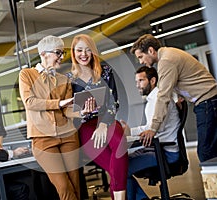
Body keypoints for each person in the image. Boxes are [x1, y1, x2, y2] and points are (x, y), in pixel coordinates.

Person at [130, 34, 217, 162]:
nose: (141, 61)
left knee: (206, 153)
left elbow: (163, 95)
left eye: (141, 57)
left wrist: (153, 129)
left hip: (208, 102)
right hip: (210, 100)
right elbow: (184, 78)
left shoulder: (166, 61)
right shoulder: (169, 54)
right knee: (211, 150)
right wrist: (180, 97)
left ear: (150, 50)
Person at [66, 34, 128, 200]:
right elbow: (68, 111)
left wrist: (103, 124)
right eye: (79, 50)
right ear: (73, 52)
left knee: (120, 147)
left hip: (106, 121)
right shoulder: (68, 80)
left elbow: (114, 102)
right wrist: (81, 112)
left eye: (87, 50)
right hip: (85, 127)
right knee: (115, 169)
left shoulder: (105, 72)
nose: (83, 54)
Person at [19, 35, 80, 200]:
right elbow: (30, 102)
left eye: (62, 53)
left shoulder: (63, 79)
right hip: (42, 139)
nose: (62, 57)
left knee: (76, 186)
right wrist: (59, 103)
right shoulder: (26, 75)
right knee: (64, 187)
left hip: (68, 136)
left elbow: (67, 111)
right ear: (44, 54)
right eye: (58, 53)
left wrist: (83, 111)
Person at [120, 66, 180, 200]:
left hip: (165, 152)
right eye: (136, 82)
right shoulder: (153, 100)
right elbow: (150, 128)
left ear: (152, 80)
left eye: (141, 81)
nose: (137, 85)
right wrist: (130, 131)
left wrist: (130, 135)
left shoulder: (159, 100)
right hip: (159, 148)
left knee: (122, 168)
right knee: (121, 164)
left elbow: (156, 130)